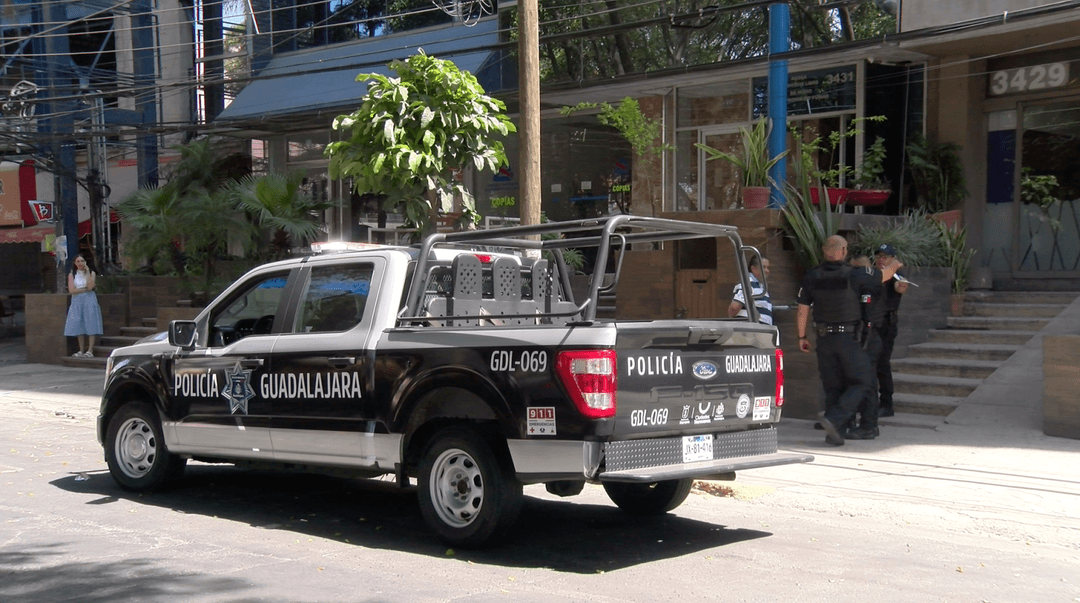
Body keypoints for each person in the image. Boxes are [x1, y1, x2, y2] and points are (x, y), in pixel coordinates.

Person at [796, 236, 901, 446]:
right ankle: (834, 420)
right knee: (863, 381)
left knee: (833, 387)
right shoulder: (856, 274)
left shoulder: (812, 275)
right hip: (848, 338)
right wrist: (896, 263)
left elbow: (802, 309)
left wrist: (802, 336)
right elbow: (886, 275)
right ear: (844, 251)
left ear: (824, 251)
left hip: (823, 339)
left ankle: (835, 434)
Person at [874, 244, 909, 417]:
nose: (881, 259)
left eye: (885, 257)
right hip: (873, 324)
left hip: (887, 325)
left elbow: (901, 286)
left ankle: (886, 403)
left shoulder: (896, 275)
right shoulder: (873, 275)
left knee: (882, 364)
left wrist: (901, 284)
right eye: (879, 256)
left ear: (893, 259)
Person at [64, 255, 104, 358]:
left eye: (82, 261)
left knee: (91, 321)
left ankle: (90, 350)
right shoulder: (72, 274)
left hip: (89, 299)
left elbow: (90, 286)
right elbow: (72, 290)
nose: (80, 263)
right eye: (78, 261)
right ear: (75, 263)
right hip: (77, 300)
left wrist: (87, 273)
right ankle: (81, 350)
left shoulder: (91, 273)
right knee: (78, 323)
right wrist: (84, 289)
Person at [728, 255, 773, 325]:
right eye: (763, 267)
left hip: (759, 332)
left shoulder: (761, 286)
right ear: (753, 268)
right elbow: (733, 308)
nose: (767, 271)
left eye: (768, 267)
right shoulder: (747, 283)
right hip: (750, 332)